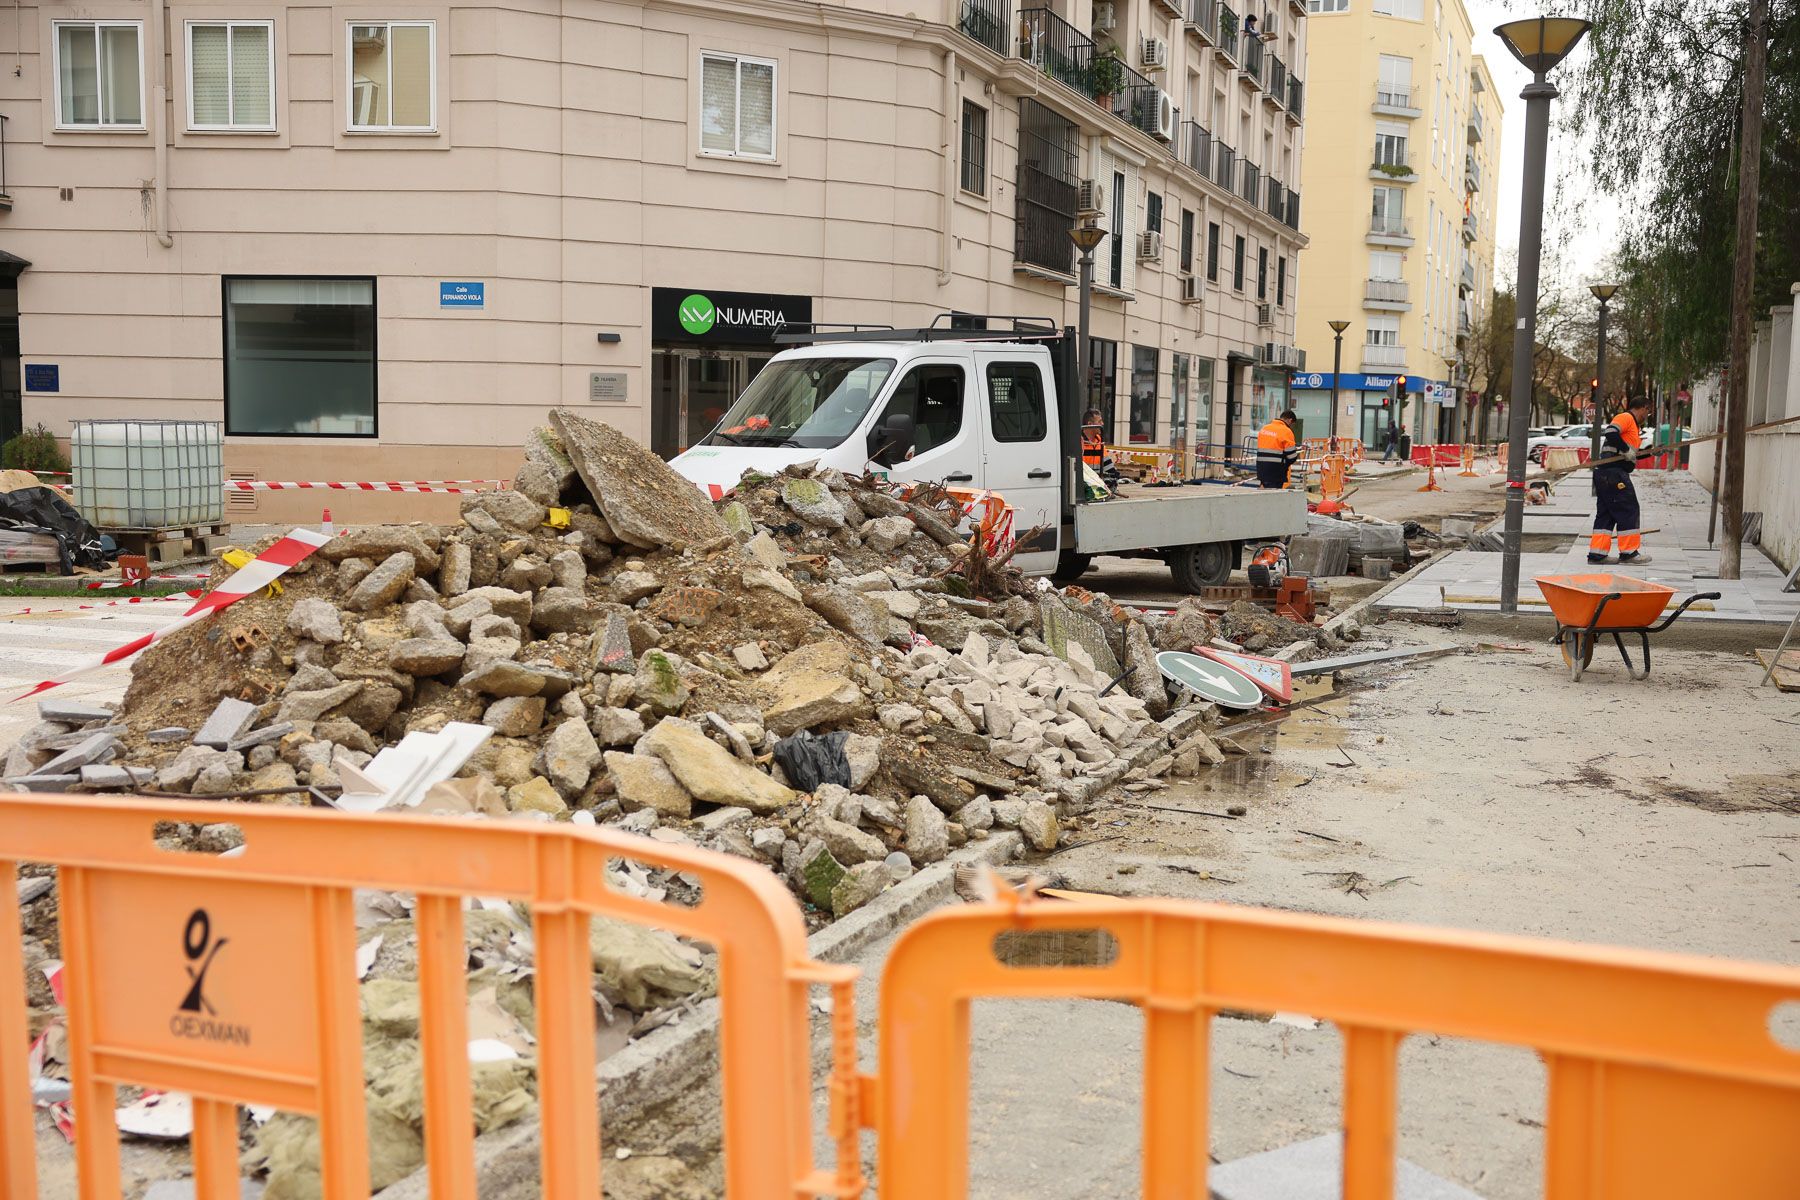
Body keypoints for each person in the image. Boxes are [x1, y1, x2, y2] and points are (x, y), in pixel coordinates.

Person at [1589, 395, 1654, 565]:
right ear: (1643, 408)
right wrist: (1626, 450)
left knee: (1606, 514)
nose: (1647, 416)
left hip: (1606, 473)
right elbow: (1611, 432)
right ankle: (1629, 553)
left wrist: (1650, 452)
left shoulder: (1634, 427)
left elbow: (1629, 454)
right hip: (1614, 474)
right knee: (1628, 509)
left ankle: (1597, 554)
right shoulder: (1626, 417)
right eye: (1648, 411)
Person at [1255, 409, 1300, 488]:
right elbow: (1292, 457)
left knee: (1264, 492)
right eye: (1292, 424)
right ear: (1290, 420)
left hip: (1261, 469)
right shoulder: (1286, 431)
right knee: (1274, 494)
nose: (1291, 427)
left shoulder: (1264, 428)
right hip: (1276, 471)